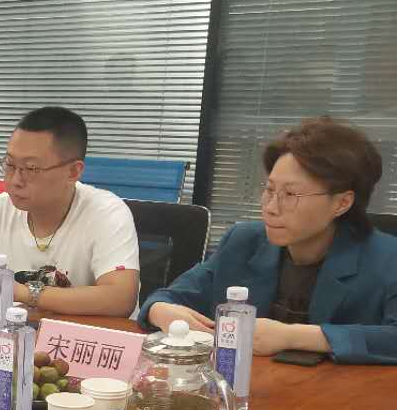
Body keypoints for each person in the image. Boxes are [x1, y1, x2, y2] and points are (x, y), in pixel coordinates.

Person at [144, 117, 397, 364]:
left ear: (342, 203)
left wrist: (295, 336)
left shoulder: (387, 260)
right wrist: (161, 311)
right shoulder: (244, 241)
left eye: (290, 194)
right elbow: (168, 298)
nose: (271, 207)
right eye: (270, 190)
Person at [0, 107, 140, 317]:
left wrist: (18, 291)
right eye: (10, 165)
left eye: (31, 168)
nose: (15, 180)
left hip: (84, 341)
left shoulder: (106, 213)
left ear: (73, 172)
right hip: (16, 336)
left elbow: (119, 299)